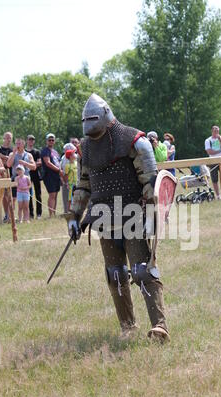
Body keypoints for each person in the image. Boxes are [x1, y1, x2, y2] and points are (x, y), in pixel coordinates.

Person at [67, 93, 170, 342]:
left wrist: (152, 214)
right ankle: (128, 327)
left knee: (142, 271)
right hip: (103, 220)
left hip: (133, 215)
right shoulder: (87, 148)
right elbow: (83, 185)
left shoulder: (133, 141)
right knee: (115, 274)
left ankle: (160, 326)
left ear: (105, 114)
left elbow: (149, 181)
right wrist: (74, 215)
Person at [6, 138, 36, 211]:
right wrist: (13, 153)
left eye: (19, 144)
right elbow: (8, 165)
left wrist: (25, 163)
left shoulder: (28, 155)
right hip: (15, 179)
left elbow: (34, 167)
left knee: (26, 198)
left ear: (23, 144)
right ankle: (12, 216)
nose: (17, 145)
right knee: (13, 198)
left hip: (25, 179)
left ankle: (26, 217)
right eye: (16, 143)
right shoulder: (12, 154)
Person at [41, 133, 62, 217]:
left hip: (56, 175)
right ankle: (51, 214)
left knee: (56, 195)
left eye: (52, 140)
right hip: (49, 175)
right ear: (46, 141)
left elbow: (58, 162)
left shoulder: (55, 152)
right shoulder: (45, 150)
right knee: (52, 195)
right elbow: (48, 163)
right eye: (49, 140)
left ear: (54, 141)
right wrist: (59, 170)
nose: (51, 141)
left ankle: (54, 213)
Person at [0, 132, 13, 222]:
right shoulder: (0, 148)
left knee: (10, 195)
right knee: (2, 195)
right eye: (7, 138)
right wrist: (5, 157)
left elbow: (12, 159)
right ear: (4, 138)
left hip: (10, 173)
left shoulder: (12, 149)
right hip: (2, 174)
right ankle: (6, 214)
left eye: (10, 138)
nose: (8, 139)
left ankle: (10, 215)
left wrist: (5, 158)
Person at [25, 135, 42, 219]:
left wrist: (30, 164)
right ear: (26, 141)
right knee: (29, 194)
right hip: (27, 175)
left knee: (38, 194)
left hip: (35, 174)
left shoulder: (37, 152)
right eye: (29, 140)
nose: (31, 141)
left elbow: (39, 163)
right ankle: (30, 214)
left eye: (32, 140)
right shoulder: (24, 152)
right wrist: (32, 164)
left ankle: (39, 213)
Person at [60, 143, 77, 214]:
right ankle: (67, 211)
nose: (74, 154)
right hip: (68, 183)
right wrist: (66, 182)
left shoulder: (76, 160)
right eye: (73, 153)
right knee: (68, 198)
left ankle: (75, 211)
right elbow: (64, 173)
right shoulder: (65, 160)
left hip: (76, 183)